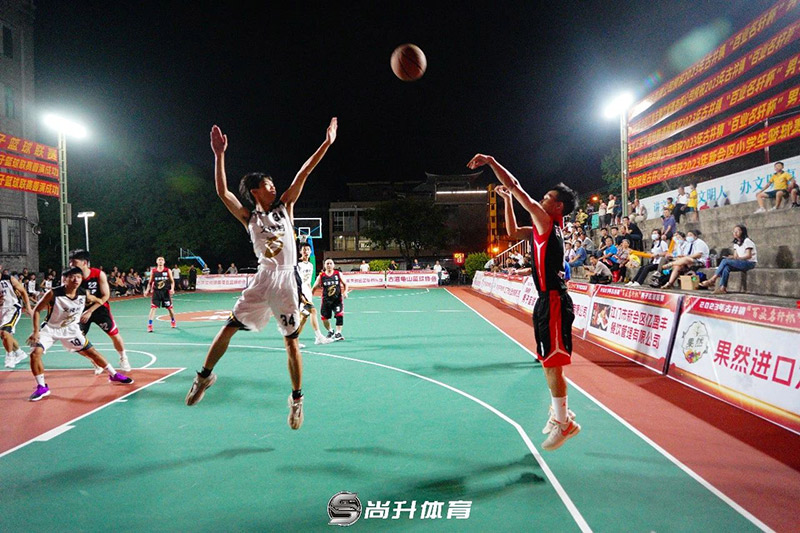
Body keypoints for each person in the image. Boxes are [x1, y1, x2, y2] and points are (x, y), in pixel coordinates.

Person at [185, 118, 337, 432]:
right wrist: (219, 155)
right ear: (255, 191)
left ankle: (297, 399)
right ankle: (204, 377)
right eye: (268, 184)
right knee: (228, 328)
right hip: (263, 278)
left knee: (291, 342)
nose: (274, 186)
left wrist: (326, 143)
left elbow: (304, 172)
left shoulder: (286, 207)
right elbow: (223, 192)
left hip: (286, 280)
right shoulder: (248, 217)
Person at [469, 154, 580, 451]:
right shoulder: (543, 228)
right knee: (547, 362)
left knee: (553, 365)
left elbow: (516, 186)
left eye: (547, 198)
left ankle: (564, 423)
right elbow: (512, 232)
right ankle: (561, 414)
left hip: (554, 299)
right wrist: (507, 200)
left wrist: (492, 162)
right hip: (546, 300)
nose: (541, 200)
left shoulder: (547, 221)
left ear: (558, 206)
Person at [26, 267, 133, 402]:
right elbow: (37, 310)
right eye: (72, 277)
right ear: (65, 279)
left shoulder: (83, 293)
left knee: (92, 352)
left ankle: (113, 374)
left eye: (78, 277)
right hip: (50, 329)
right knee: (35, 353)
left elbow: (96, 299)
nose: (76, 279)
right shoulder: (53, 293)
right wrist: (36, 331)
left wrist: (98, 302)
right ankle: (42, 387)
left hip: (71, 330)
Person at [69, 249, 132, 373]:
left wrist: (90, 310)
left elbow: (105, 296)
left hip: (99, 309)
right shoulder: (70, 277)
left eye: (74, 263)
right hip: (80, 311)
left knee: (114, 335)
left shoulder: (98, 274)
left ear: (84, 263)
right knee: (74, 341)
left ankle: (123, 357)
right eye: (70, 263)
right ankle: (95, 361)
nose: (71, 265)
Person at [700, 225, 757, 294]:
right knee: (726, 267)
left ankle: (712, 279)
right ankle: (722, 288)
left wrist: (737, 258)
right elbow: (735, 256)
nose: (735, 233)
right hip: (741, 262)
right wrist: (731, 257)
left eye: (737, 231)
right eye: (734, 231)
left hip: (749, 263)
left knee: (725, 261)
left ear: (742, 232)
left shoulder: (747, 241)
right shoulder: (736, 243)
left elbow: (748, 255)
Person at [296, 242, 334, 346]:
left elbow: (308, 282)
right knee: (313, 311)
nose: (306, 252)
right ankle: (319, 337)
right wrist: (300, 295)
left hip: (307, 293)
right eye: (304, 250)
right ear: (300, 251)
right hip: (300, 294)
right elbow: (296, 282)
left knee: (304, 318)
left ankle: (294, 341)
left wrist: (310, 292)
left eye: (308, 250)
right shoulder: (297, 265)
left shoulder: (310, 265)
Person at [1, 268, 32, 369]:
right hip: (1, 311)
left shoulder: (9, 279)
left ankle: (10, 356)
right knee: (5, 335)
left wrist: (28, 307)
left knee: (5, 332)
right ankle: (19, 353)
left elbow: (23, 292)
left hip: (12, 309)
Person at [313, 258, 348, 341]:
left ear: (333, 265)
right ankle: (330, 330)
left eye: (330, 263)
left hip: (337, 300)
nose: (329, 265)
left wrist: (345, 292)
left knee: (339, 315)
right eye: (327, 263)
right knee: (324, 318)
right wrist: (310, 296)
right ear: (324, 265)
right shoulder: (321, 276)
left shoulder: (338, 274)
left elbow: (345, 284)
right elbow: (314, 287)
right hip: (326, 301)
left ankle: (338, 333)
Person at [144, 256, 176, 332]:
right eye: (159, 260)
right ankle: (150, 325)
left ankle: (173, 320)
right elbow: (150, 282)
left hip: (165, 292)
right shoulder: (153, 271)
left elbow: (172, 281)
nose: (160, 261)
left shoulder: (167, 270)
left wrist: (172, 289)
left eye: (162, 260)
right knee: (153, 308)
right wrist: (147, 290)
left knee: (170, 308)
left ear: (164, 262)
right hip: (156, 292)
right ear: (156, 262)